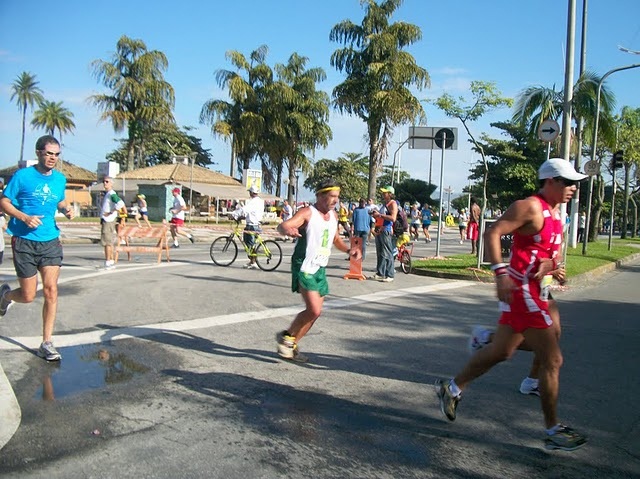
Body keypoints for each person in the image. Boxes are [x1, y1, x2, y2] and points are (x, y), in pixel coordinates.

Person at [435, 157, 588, 451]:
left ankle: (451, 388)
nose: (572, 189)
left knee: (502, 351)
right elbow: (493, 231)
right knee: (553, 359)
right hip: (521, 291)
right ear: (550, 181)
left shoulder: (557, 214)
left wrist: (554, 266)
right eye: (567, 183)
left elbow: (544, 254)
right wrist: (500, 274)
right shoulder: (529, 207)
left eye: (574, 184)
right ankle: (553, 429)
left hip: (537, 291)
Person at [0, 135, 74, 361]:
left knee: (51, 290)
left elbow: (59, 201)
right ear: (39, 153)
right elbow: (4, 202)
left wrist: (66, 209)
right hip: (24, 240)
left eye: (56, 154)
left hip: (50, 240)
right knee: (29, 295)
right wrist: (24, 217)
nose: (53, 158)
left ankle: (47, 342)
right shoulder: (22, 176)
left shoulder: (60, 179)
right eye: (49, 153)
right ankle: (5, 297)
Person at [275, 179, 360, 362]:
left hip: (320, 267)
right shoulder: (307, 212)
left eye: (337, 197)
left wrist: (348, 250)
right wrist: (287, 230)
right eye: (332, 196)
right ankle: (287, 338)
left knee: (316, 313)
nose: (336, 200)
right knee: (313, 310)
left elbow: (335, 239)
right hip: (304, 265)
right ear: (320, 195)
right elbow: (283, 226)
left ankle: (291, 344)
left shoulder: (334, 216)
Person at [234, 185, 264, 269]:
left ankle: (254, 262)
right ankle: (252, 261)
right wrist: (242, 217)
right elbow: (251, 213)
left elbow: (245, 209)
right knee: (249, 245)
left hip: (252, 226)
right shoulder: (260, 201)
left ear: (251, 192)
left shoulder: (253, 201)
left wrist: (235, 214)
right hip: (254, 224)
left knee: (250, 245)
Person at [371, 186, 397, 282]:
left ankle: (390, 274)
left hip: (386, 230)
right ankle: (380, 273)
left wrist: (380, 215)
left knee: (387, 252)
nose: (383, 194)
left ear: (390, 194)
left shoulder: (392, 204)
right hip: (379, 230)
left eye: (385, 192)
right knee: (380, 252)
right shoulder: (384, 204)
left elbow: (393, 218)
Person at [100, 176, 126, 269]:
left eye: (107, 181)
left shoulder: (111, 194)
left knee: (107, 242)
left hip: (108, 221)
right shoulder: (108, 194)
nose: (105, 183)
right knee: (109, 242)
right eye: (104, 181)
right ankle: (110, 260)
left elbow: (120, 203)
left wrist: (112, 211)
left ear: (111, 183)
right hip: (107, 220)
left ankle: (108, 261)